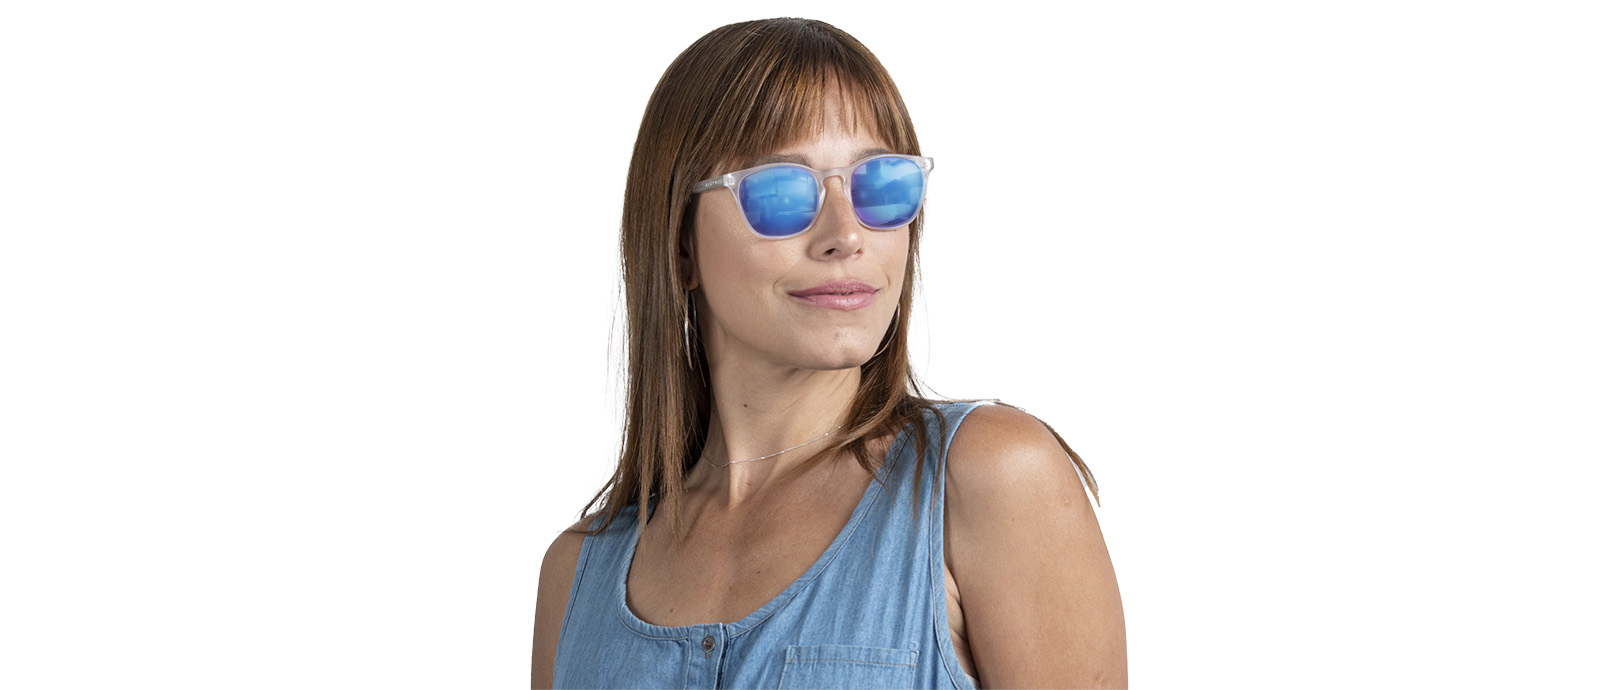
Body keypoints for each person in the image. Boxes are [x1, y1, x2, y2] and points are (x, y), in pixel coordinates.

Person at [530, 17, 1126, 689]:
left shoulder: (992, 481)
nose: (847, 234)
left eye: (882, 186)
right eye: (781, 191)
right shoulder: (576, 578)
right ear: (680, 245)